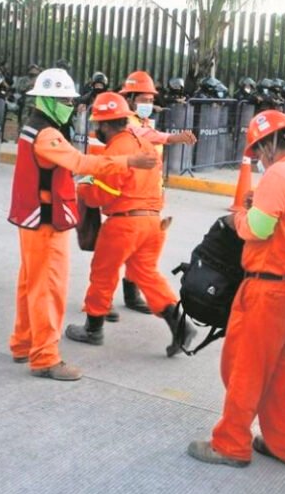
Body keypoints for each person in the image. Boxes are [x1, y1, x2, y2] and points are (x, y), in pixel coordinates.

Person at [187, 110, 285, 468]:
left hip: (267, 289)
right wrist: (257, 210)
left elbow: (258, 229)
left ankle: (231, 443)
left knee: (242, 368)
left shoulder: (280, 174)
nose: (259, 160)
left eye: (258, 151)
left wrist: (237, 218)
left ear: (268, 144)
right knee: (279, 369)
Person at [7, 68, 157, 382]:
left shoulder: (34, 128)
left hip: (34, 218)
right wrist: (128, 162)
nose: (70, 104)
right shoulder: (46, 134)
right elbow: (80, 162)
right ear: (46, 99)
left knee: (30, 286)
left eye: (70, 99)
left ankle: (23, 344)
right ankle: (45, 358)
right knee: (49, 289)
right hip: (46, 222)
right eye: (63, 99)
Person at [64, 92, 197, 357]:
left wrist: (82, 189)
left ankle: (93, 329)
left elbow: (103, 193)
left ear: (103, 124)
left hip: (124, 224)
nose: (96, 129)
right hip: (152, 223)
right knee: (146, 274)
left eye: (97, 125)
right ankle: (181, 326)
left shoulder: (117, 149)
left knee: (103, 273)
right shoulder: (145, 145)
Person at [115, 70, 197, 317]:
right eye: (143, 100)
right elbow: (147, 137)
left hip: (148, 196)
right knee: (115, 252)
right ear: (129, 100)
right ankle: (99, 304)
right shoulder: (127, 123)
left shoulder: (143, 121)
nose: (147, 105)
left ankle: (130, 295)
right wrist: (173, 137)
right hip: (128, 198)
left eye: (151, 101)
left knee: (138, 249)